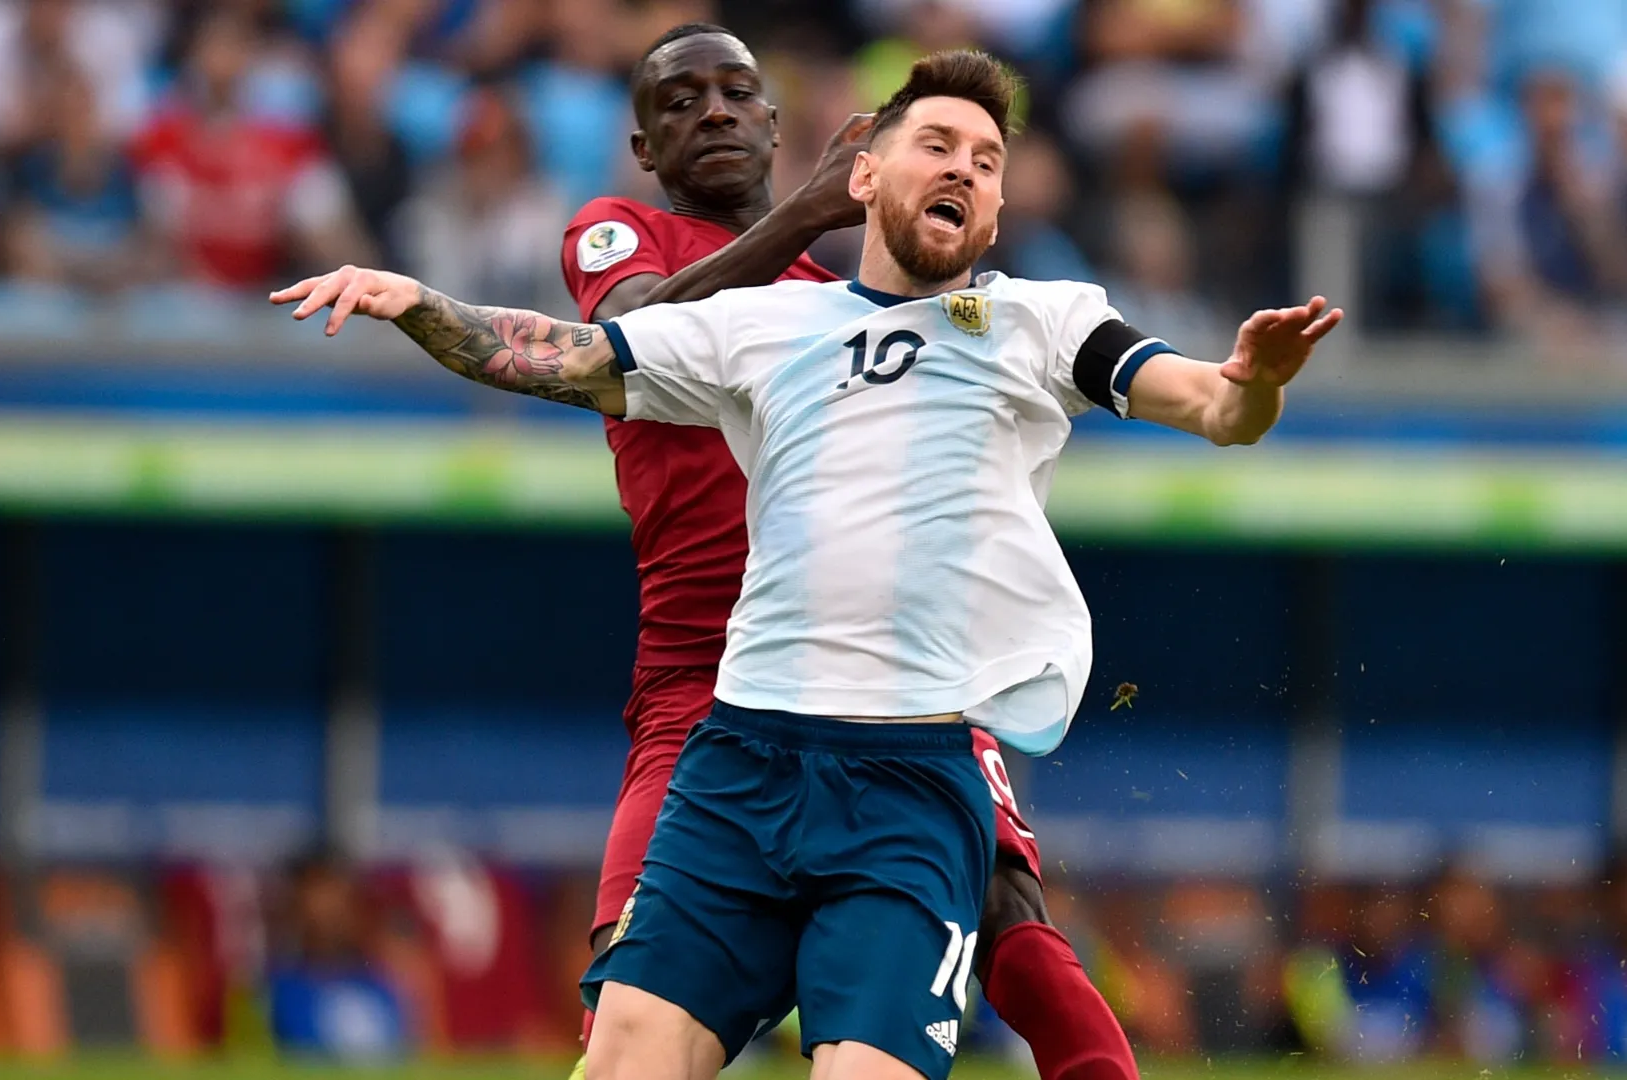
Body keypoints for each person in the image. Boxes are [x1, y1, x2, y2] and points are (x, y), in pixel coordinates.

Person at [271, 47, 1341, 1080]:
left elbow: (1210, 403)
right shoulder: (763, 323)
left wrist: (1254, 381)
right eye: (936, 142)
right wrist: (416, 302)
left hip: (911, 778)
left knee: (985, 955)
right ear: (863, 174)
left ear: (1000, 211)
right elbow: (570, 356)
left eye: (986, 158)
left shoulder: (1042, 319)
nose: (964, 164)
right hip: (737, 760)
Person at [557, 23, 1135, 1080]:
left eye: (739, 92)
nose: (717, 112)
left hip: (894, 685)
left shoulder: (853, 302)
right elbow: (626, 335)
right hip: (705, 688)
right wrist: (810, 211)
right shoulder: (618, 235)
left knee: (1013, 912)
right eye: (682, 103)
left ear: (783, 127)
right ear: (644, 148)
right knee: (631, 1009)